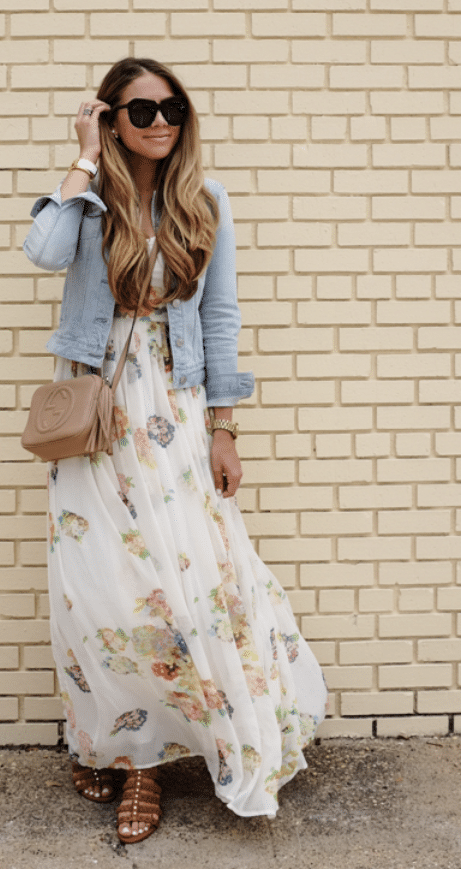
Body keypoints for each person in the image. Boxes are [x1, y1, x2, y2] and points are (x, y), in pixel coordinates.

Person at [21, 57, 327, 844]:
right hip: (98, 418)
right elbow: (43, 252)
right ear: (112, 119)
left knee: (189, 580)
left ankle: (180, 747)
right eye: (141, 110)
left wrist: (226, 427)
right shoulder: (87, 203)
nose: (161, 123)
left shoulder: (206, 202)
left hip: (177, 414)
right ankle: (131, 759)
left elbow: (220, 319)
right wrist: (83, 156)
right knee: (101, 590)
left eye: (173, 110)